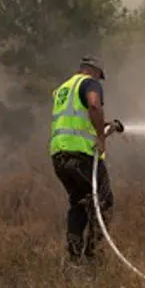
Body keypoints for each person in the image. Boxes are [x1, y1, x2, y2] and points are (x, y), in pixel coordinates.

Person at [49, 56, 114, 264]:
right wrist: (101, 137)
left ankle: (74, 259)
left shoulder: (63, 89)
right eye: (99, 77)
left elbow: (81, 118)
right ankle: (93, 255)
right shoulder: (89, 83)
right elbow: (94, 106)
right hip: (82, 155)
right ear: (94, 71)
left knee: (78, 204)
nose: (99, 81)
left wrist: (107, 126)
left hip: (60, 157)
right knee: (103, 200)